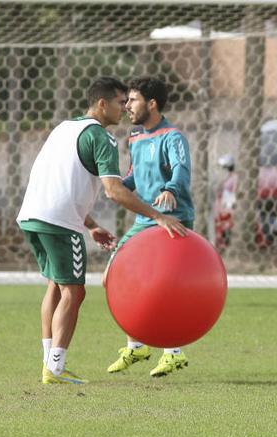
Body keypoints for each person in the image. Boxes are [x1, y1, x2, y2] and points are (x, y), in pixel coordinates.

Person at [16, 77, 187, 385]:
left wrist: (91, 226)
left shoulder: (63, 128)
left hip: (31, 215)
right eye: (121, 102)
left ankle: (48, 362)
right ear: (102, 104)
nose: (124, 109)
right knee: (74, 291)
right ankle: (55, 368)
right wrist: (157, 217)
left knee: (55, 286)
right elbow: (114, 190)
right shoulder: (102, 138)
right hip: (61, 224)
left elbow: (60, 182)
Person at [104, 76, 196, 378]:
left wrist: (170, 189)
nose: (127, 106)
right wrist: (112, 186)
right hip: (144, 222)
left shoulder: (172, 137)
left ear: (152, 104)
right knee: (112, 276)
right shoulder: (135, 138)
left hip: (173, 219)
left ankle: (174, 352)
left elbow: (181, 169)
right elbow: (133, 177)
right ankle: (136, 345)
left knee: (166, 287)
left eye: (132, 100)